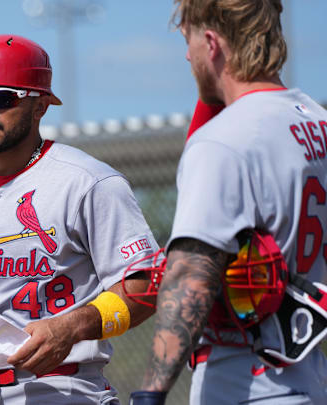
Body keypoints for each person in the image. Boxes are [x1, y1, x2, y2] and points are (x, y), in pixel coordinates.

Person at [0, 34, 160, 404]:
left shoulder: (87, 181)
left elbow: (145, 288)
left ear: (40, 106)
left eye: (4, 98)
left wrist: (72, 326)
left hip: (62, 387)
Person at [131, 1, 327, 404]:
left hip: (246, 382)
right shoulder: (318, 120)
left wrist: (150, 392)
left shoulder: (223, 140)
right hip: (312, 376)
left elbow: (191, 278)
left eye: (189, 40)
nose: (188, 55)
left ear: (212, 42)